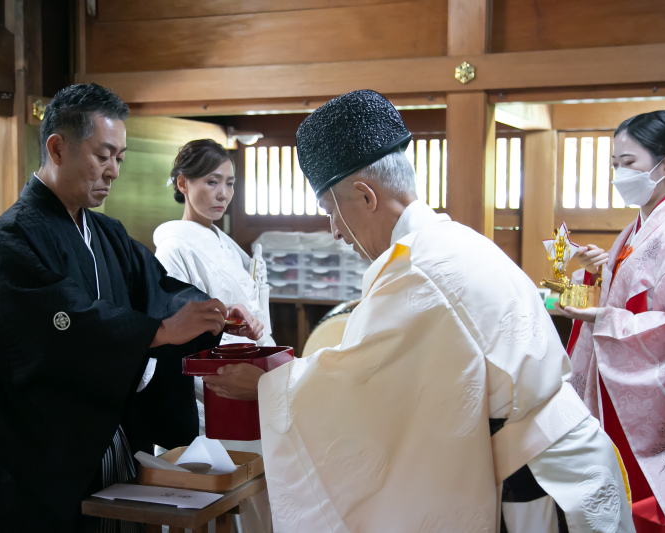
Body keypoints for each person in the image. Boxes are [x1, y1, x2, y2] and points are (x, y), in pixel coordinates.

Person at [203, 90, 635, 533]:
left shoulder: (418, 271)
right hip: (563, 462)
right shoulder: (452, 241)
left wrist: (269, 388)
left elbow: (365, 388)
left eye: (330, 211)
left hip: (542, 483)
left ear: (365, 196)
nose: (334, 232)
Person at [0, 83, 261, 533]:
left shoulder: (108, 233)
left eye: (120, 157)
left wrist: (214, 312)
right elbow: (59, 324)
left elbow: (159, 289)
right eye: (103, 155)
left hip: (108, 444)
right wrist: (155, 333)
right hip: (37, 459)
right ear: (58, 148)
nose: (113, 171)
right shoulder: (12, 240)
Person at [560, 110, 665, 533]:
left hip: (656, 397)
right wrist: (596, 274)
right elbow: (628, 293)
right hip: (625, 381)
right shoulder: (639, 226)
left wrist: (606, 319)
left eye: (628, 163)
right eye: (614, 163)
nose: (618, 172)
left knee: (651, 504)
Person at [153, 139, 273, 533]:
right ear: (183, 184)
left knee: (256, 486)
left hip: (248, 375)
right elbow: (181, 323)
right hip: (209, 388)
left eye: (230, 183)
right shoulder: (173, 247)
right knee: (219, 490)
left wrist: (249, 328)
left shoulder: (225, 242)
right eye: (211, 181)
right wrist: (231, 327)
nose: (223, 193)